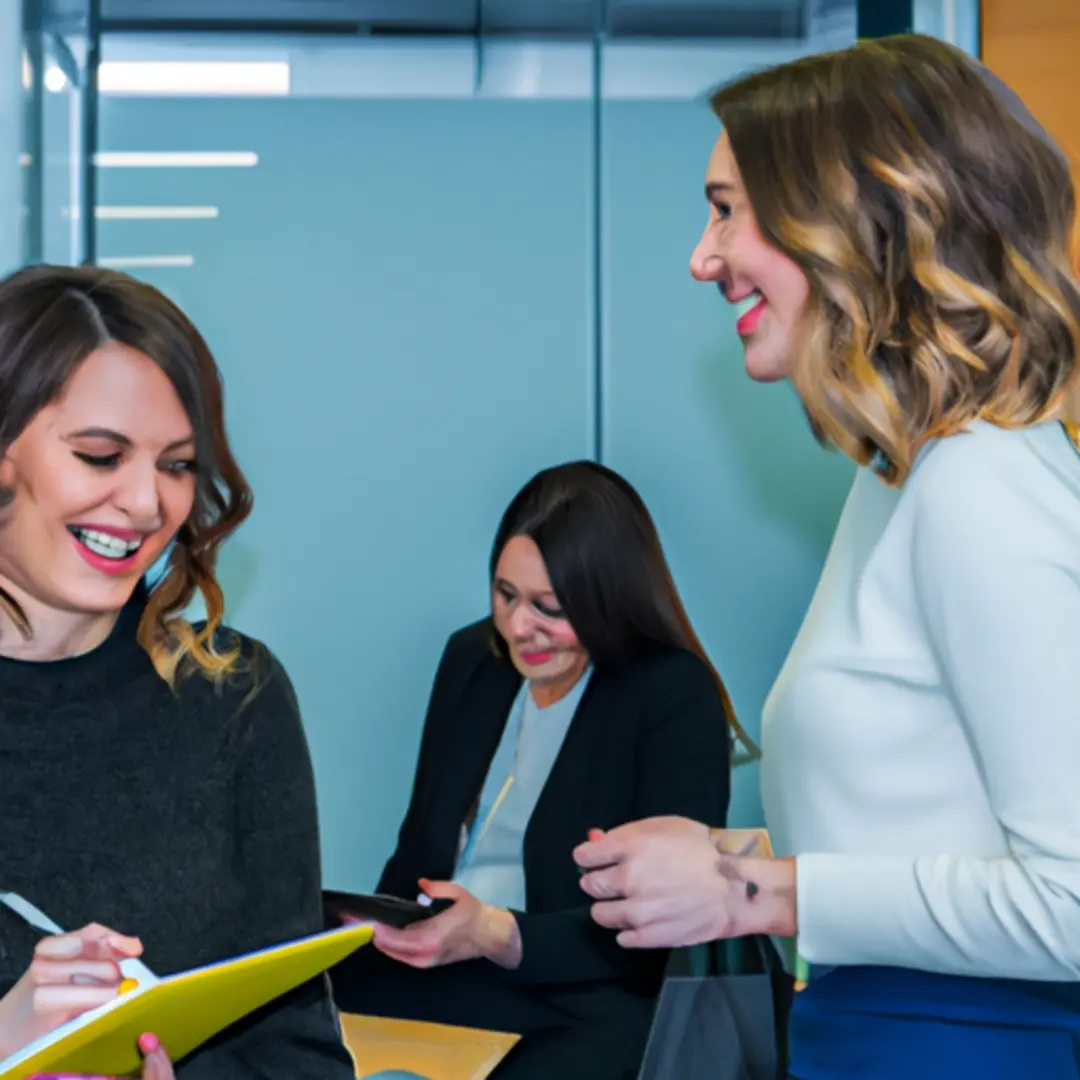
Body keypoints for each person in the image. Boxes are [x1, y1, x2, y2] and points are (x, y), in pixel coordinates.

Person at [573, 33, 1080, 1080]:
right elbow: (931, 830)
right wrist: (733, 857)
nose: (701, 257)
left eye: (725, 210)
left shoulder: (980, 484)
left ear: (852, 219)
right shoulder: (901, 480)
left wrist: (756, 892)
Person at [0, 265, 355, 1079]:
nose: (146, 504)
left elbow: (300, 1056)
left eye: (178, 465)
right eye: (100, 456)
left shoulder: (234, 698)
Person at [331, 461, 736, 1080]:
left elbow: (659, 933)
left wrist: (495, 934)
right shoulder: (474, 659)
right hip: (448, 967)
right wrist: (379, 920)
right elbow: (417, 852)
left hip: (588, 993)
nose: (521, 628)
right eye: (506, 595)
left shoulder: (672, 693)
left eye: (549, 607)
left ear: (609, 600)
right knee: (275, 1017)